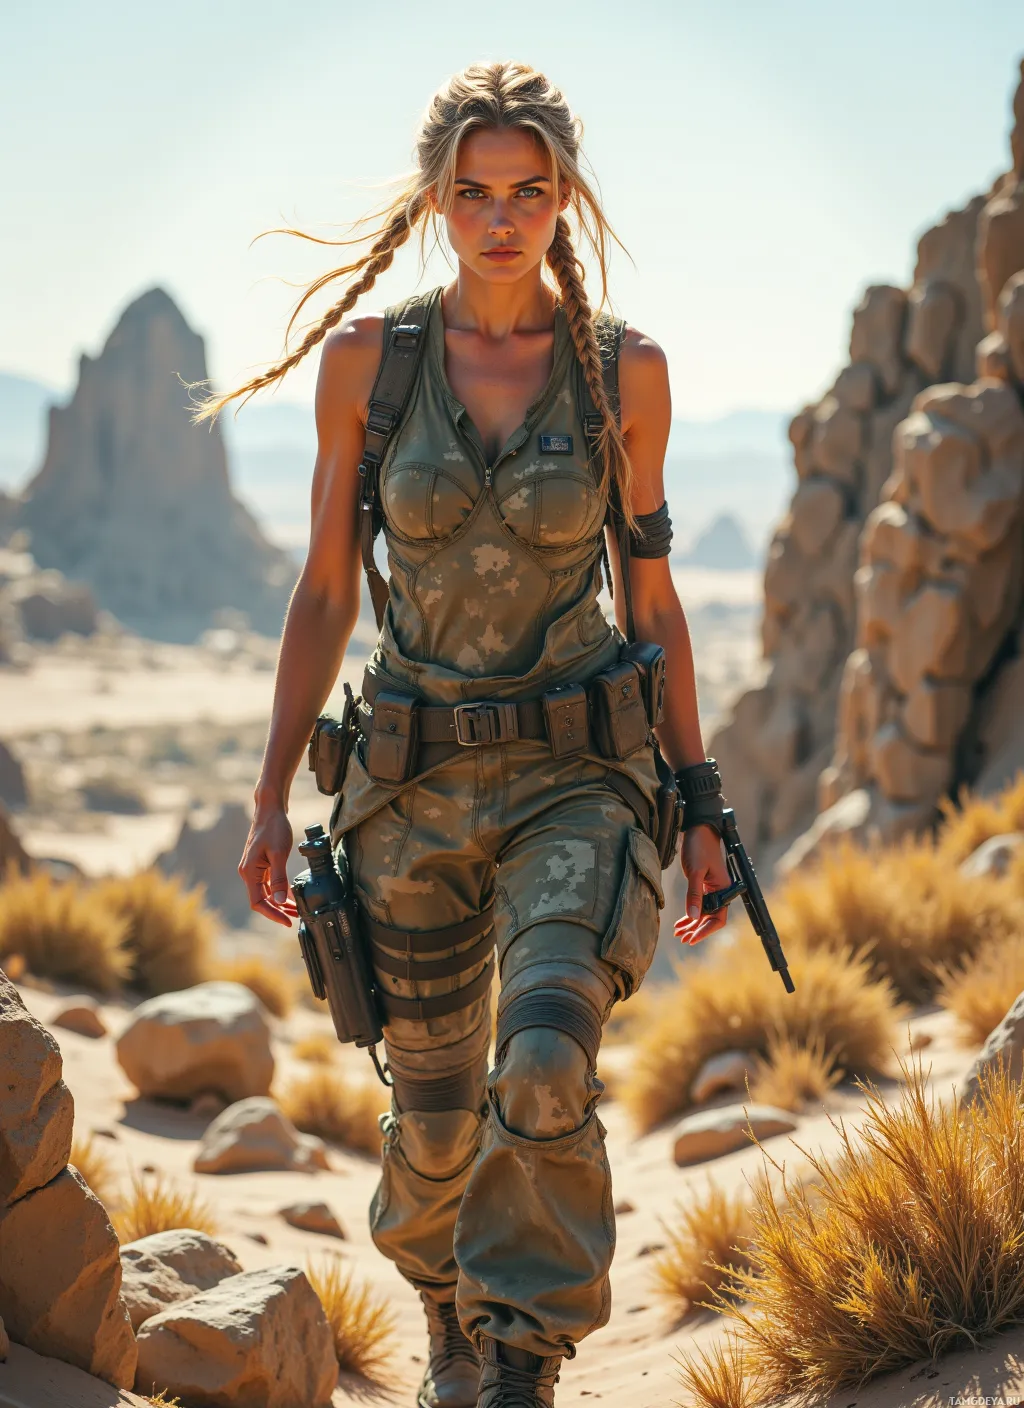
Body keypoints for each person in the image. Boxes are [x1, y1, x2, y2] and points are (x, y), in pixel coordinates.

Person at [202, 60, 731, 1408]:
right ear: (438, 199)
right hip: (409, 784)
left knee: (547, 1057)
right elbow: (325, 587)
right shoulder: (372, 368)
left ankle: (519, 1356)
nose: (503, 217)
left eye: (530, 191)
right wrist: (270, 799)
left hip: (580, 780)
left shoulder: (627, 375)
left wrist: (703, 796)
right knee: (434, 1129)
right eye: (476, 191)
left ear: (565, 199)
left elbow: (652, 594)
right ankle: (445, 1306)